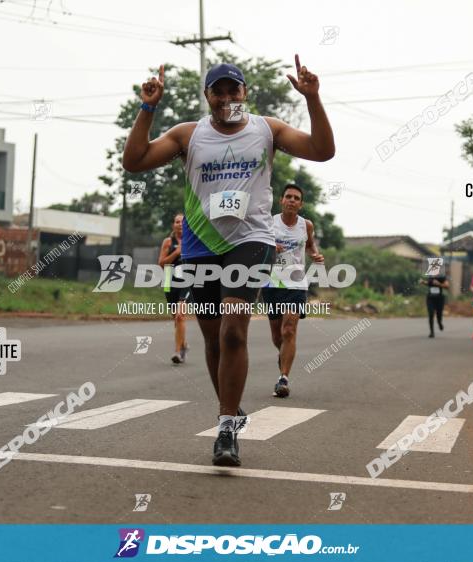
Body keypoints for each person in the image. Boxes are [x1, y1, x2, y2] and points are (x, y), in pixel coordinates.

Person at [121, 56, 334, 466]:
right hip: (201, 245)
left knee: (234, 331)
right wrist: (147, 108)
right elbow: (134, 161)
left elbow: (323, 150)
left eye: (232, 90)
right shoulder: (189, 135)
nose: (225, 98)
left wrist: (313, 98)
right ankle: (231, 410)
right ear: (207, 97)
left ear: (244, 93)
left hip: (251, 240)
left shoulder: (266, 130)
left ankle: (224, 429)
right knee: (213, 336)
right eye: (217, 91)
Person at [262, 183, 323, 398]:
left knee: (289, 330)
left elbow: (310, 245)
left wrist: (315, 254)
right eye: (288, 196)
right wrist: (270, 248)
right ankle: (283, 356)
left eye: (296, 198)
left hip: (296, 284)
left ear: (301, 203)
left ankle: (283, 378)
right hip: (271, 283)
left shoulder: (306, 225)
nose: (292, 200)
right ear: (281, 200)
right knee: (277, 335)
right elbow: (256, 246)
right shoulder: (269, 223)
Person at [158, 212, 191, 364]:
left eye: (182, 222)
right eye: (176, 222)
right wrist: (177, 253)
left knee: (180, 315)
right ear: (173, 225)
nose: (179, 224)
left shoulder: (191, 241)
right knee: (175, 318)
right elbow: (161, 263)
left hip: (186, 280)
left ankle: (178, 352)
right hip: (169, 280)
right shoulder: (168, 242)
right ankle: (183, 344)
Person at [422, 268, 448, 338]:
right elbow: (428, 283)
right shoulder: (430, 277)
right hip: (430, 298)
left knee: (439, 314)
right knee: (431, 314)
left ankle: (439, 323)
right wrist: (423, 282)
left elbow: (446, 286)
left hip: (439, 299)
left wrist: (439, 284)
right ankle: (432, 332)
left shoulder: (442, 277)